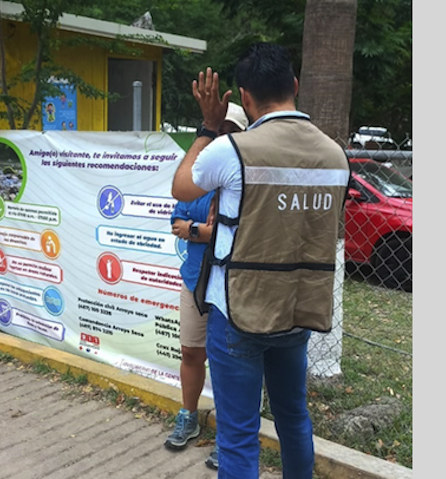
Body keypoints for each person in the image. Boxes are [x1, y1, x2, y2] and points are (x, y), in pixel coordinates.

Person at [171, 43, 350, 479]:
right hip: (297, 311)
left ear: (245, 98)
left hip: (239, 314)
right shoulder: (335, 157)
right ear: (295, 85)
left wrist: (208, 127)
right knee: (293, 419)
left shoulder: (233, 150)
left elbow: (181, 188)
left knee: (238, 435)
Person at [163, 103, 248, 471]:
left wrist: (198, 231)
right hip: (195, 280)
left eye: (232, 129)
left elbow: (244, 234)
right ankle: (189, 415)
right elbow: (176, 219)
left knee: (233, 365)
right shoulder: (199, 179)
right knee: (191, 354)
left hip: (233, 285)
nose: (224, 136)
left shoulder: (247, 180)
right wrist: (207, 232)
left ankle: (227, 437)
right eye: (218, 129)